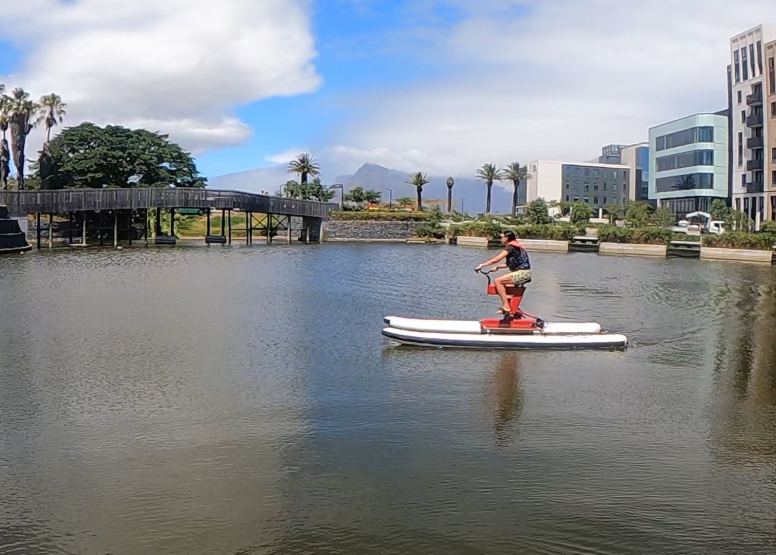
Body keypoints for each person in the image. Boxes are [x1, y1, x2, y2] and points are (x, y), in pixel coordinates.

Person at [475, 231, 531, 314]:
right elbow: (508, 264)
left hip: (522, 273)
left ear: (507, 238)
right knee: (507, 286)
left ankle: (506, 306)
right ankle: (510, 310)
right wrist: (498, 267)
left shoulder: (510, 247)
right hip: (523, 273)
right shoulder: (514, 247)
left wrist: (481, 265)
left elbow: (496, 259)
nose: (501, 239)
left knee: (498, 281)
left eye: (502, 237)